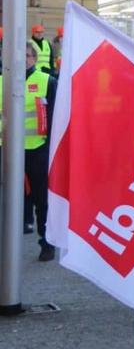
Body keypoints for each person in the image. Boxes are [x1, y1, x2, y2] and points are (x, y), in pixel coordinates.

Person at [6, 42, 58, 261]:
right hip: (8, 151)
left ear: (34, 60)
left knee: (41, 200)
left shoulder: (46, 81)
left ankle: (46, 242)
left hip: (37, 149)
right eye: (19, 56)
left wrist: (49, 147)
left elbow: (55, 117)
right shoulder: (2, 82)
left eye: (27, 55)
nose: (23, 59)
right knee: (10, 199)